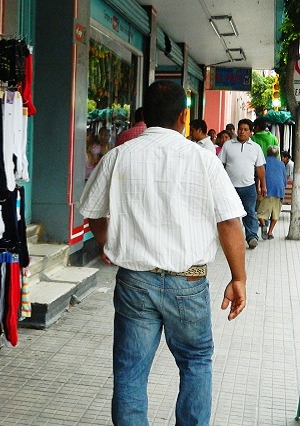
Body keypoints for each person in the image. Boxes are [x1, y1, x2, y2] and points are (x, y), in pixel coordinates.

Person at [79, 80, 247, 425]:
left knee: (130, 373)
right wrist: (238, 278)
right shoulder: (203, 160)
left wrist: (108, 241)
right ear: (184, 117)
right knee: (196, 363)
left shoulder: (118, 157)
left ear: (144, 116)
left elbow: (92, 212)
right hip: (190, 282)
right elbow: (230, 223)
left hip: (135, 283)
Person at [218, 118, 266, 249]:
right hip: (230, 187)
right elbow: (220, 165)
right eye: (240, 129)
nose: (242, 132)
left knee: (250, 212)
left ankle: (251, 237)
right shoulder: (228, 145)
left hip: (249, 187)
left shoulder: (256, 148)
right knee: (230, 214)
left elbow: (260, 168)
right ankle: (230, 238)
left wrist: (263, 185)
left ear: (251, 132)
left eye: (245, 130)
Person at [257, 145, 287, 240]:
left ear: (267, 153)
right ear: (277, 154)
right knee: (275, 214)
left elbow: (259, 176)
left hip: (267, 190)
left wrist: (258, 188)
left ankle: (263, 225)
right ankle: (270, 233)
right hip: (279, 191)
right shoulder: (281, 164)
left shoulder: (263, 162)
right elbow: (284, 180)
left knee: (260, 213)